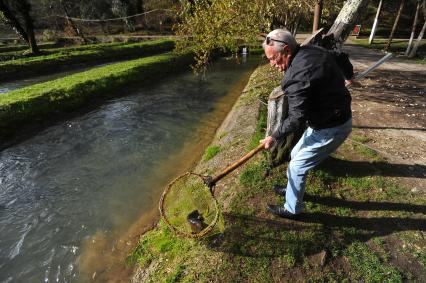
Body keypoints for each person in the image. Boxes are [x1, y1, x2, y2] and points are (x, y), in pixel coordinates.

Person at [259, 29, 354, 219]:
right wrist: (348, 75)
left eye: (273, 58)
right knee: (295, 154)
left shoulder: (296, 78)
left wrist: (274, 136)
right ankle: (291, 189)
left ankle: (292, 209)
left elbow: (296, 118)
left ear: (286, 50)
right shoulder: (313, 50)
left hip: (332, 127)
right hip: (325, 119)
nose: (272, 64)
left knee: (297, 166)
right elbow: (341, 56)